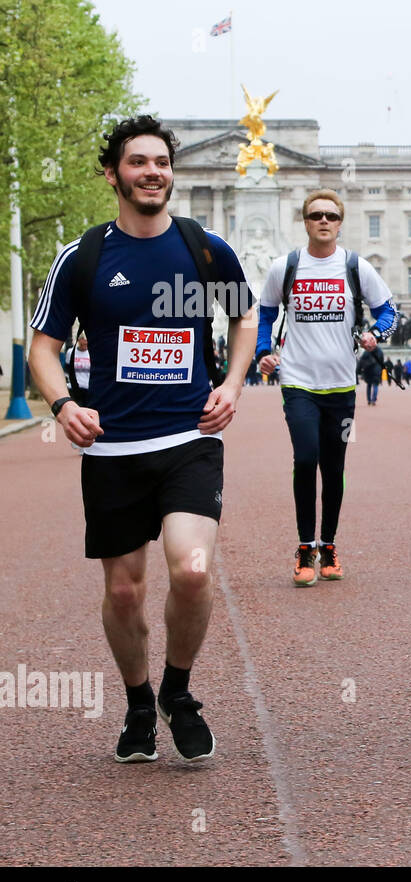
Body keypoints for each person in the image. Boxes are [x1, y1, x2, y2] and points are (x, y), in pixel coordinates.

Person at [27, 114, 258, 763]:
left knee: (191, 567)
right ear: (114, 174)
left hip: (189, 437)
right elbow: (42, 349)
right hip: (111, 446)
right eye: (138, 162)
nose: (152, 171)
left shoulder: (205, 248)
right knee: (124, 590)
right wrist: (63, 404)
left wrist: (234, 383)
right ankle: (137, 703)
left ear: (171, 172)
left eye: (161, 161)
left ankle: (177, 692)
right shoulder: (85, 255)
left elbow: (245, 318)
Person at [256, 189, 395, 586]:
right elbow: (264, 314)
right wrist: (264, 351)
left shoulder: (355, 266)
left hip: (341, 386)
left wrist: (375, 333)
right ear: (305, 221)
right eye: (316, 214)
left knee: (335, 468)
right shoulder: (285, 266)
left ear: (339, 222)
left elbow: (389, 311)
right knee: (305, 458)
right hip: (297, 382)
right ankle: (304, 547)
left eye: (331, 216)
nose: (323, 221)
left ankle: (328, 545)